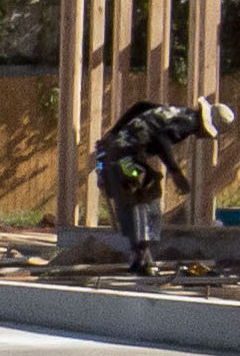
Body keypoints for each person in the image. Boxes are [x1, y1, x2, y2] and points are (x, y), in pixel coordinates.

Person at [86, 98, 228, 275]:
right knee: (142, 199)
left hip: (121, 154)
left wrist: (114, 132)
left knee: (142, 195)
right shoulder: (188, 124)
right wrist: (176, 173)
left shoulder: (174, 111)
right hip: (125, 158)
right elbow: (162, 140)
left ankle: (141, 258)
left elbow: (141, 106)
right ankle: (142, 258)